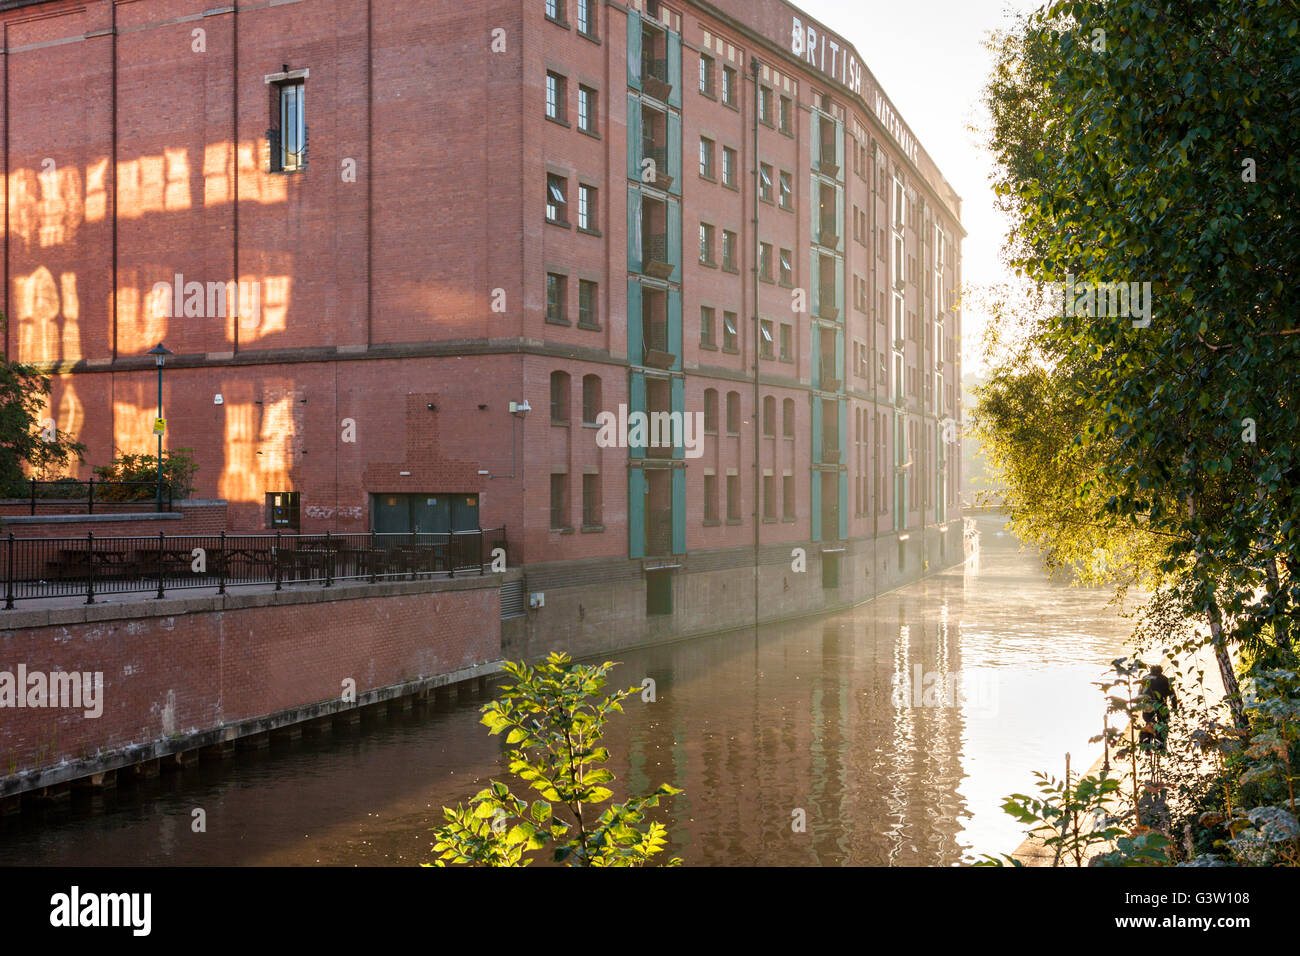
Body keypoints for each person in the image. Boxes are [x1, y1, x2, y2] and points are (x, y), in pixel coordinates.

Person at [1138, 665, 1178, 751]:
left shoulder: (1145, 678)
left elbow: (1140, 693)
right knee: (1163, 724)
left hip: (1148, 706)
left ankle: (1146, 742)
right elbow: (1173, 695)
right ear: (1161, 671)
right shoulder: (1165, 679)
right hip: (1162, 706)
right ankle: (1159, 745)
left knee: (1149, 723)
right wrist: (1174, 707)